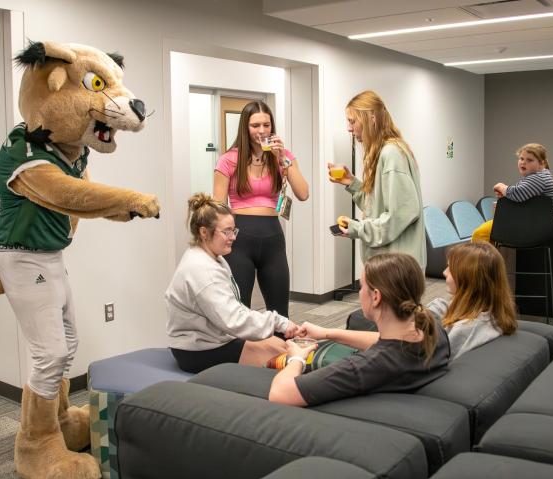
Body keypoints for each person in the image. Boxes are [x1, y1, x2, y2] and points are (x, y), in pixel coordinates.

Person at [268, 253, 450, 407]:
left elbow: (280, 393)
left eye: (362, 286)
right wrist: (327, 333)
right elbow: (385, 340)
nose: (360, 292)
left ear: (376, 297)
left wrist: (296, 358)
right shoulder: (434, 328)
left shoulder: (365, 366)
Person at [166, 193, 300, 373]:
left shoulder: (213, 258)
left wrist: (274, 326)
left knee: (278, 344)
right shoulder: (203, 270)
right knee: (285, 360)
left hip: (214, 339)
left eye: (233, 230)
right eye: (226, 231)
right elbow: (235, 320)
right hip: (197, 351)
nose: (233, 237)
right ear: (204, 232)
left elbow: (234, 309)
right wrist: (279, 322)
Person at [213, 101, 309, 320]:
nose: (262, 131)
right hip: (240, 239)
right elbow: (218, 206)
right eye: (255, 125)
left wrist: (282, 158)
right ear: (245, 127)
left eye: (266, 124)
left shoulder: (282, 156)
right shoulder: (229, 159)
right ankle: (244, 354)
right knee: (240, 310)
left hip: (273, 238)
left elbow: (303, 193)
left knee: (280, 313)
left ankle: (281, 353)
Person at [328, 90, 425, 268]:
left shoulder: (391, 153)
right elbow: (377, 208)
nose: (349, 129)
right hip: (388, 264)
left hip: (395, 267)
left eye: (352, 121)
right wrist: (353, 183)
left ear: (371, 118)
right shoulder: (382, 152)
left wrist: (358, 228)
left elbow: (402, 214)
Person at [427, 242, 517, 359]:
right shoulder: (493, 313)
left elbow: (435, 361)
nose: (444, 272)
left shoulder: (465, 330)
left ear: (468, 278)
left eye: (450, 268)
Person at [472, 143, 553, 242]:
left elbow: (517, 194)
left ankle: (489, 258)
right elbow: (522, 197)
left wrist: (501, 186)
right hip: (537, 226)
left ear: (541, 164)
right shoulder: (542, 177)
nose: (523, 162)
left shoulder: (538, 178)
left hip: (528, 227)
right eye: (521, 159)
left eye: (529, 160)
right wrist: (506, 195)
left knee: (480, 234)